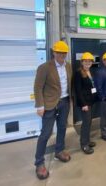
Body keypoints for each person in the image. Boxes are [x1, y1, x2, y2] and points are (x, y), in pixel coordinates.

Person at [34, 41, 72, 180]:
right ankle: (39, 163)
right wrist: (40, 105)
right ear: (54, 52)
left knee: (62, 128)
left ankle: (59, 151)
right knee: (46, 133)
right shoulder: (44, 67)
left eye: (64, 53)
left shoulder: (68, 66)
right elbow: (38, 87)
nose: (62, 55)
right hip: (49, 104)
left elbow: (69, 83)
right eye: (59, 52)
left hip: (65, 102)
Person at [75, 52, 97, 154]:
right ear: (82, 62)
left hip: (90, 101)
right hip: (84, 103)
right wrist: (83, 104)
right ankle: (84, 144)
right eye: (85, 61)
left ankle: (87, 141)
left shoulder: (90, 71)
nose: (88, 63)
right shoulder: (78, 73)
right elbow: (78, 91)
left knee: (89, 122)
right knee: (85, 123)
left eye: (89, 61)